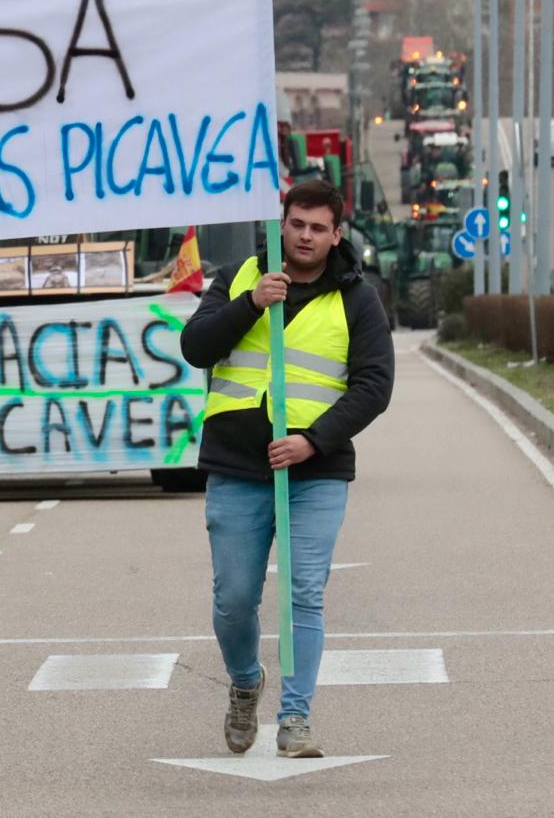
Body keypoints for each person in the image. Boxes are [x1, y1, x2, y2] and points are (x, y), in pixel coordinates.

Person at [180, 179, 394, 759]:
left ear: (336, 234)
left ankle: (296, 717)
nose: (305, 236)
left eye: (318, 228)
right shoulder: (239, 278)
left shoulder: (357, 297)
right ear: (282, 223)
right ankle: (246, 682)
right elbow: (196, 347)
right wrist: (250, 305)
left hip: (315, 471)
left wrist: (313, 441)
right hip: (237, 466)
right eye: (297, 223)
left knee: (303, 594)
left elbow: (375, 385)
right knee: (234, 598)